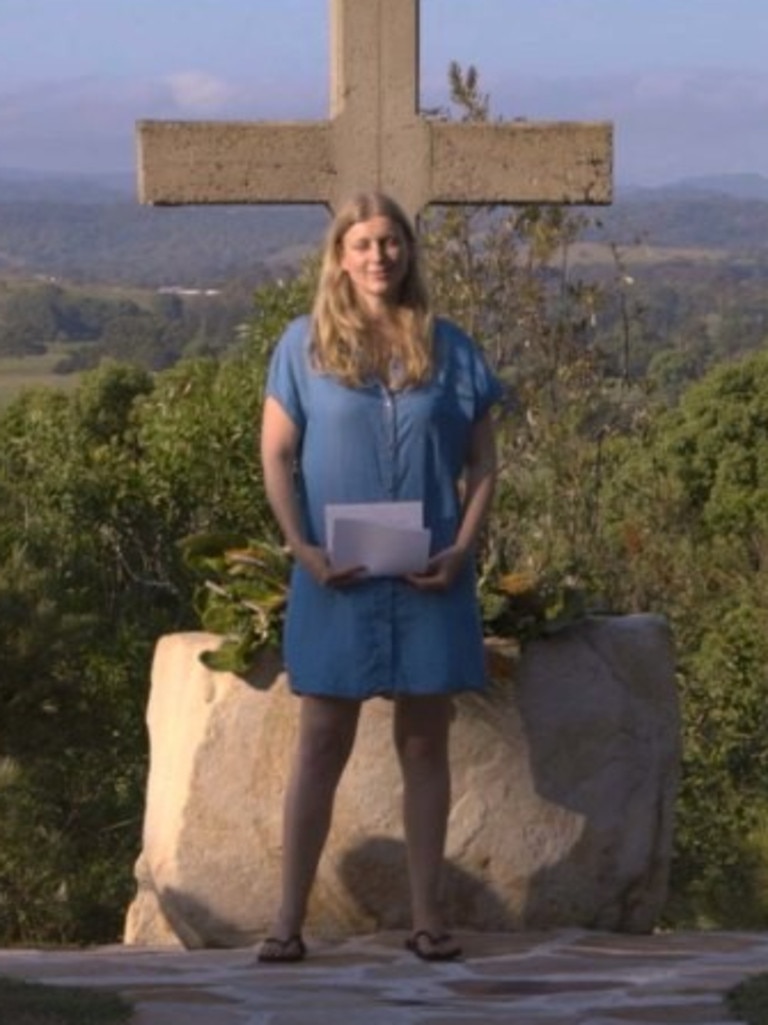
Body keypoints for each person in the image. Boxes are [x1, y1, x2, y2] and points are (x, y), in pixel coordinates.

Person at [258, 191, 502, 963]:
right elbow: (275, 455)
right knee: (320, 742)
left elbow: (483, 463)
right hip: (335, 579)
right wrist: (301, 546)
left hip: (432, 575)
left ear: (408, 252)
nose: (378, 256)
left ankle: (429, 920)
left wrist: (462, 548)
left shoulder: (453, 348)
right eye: (362, 243)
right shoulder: (300, 346)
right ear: (339, 255)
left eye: (391, 242)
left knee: (426, 745)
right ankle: (287, 920)